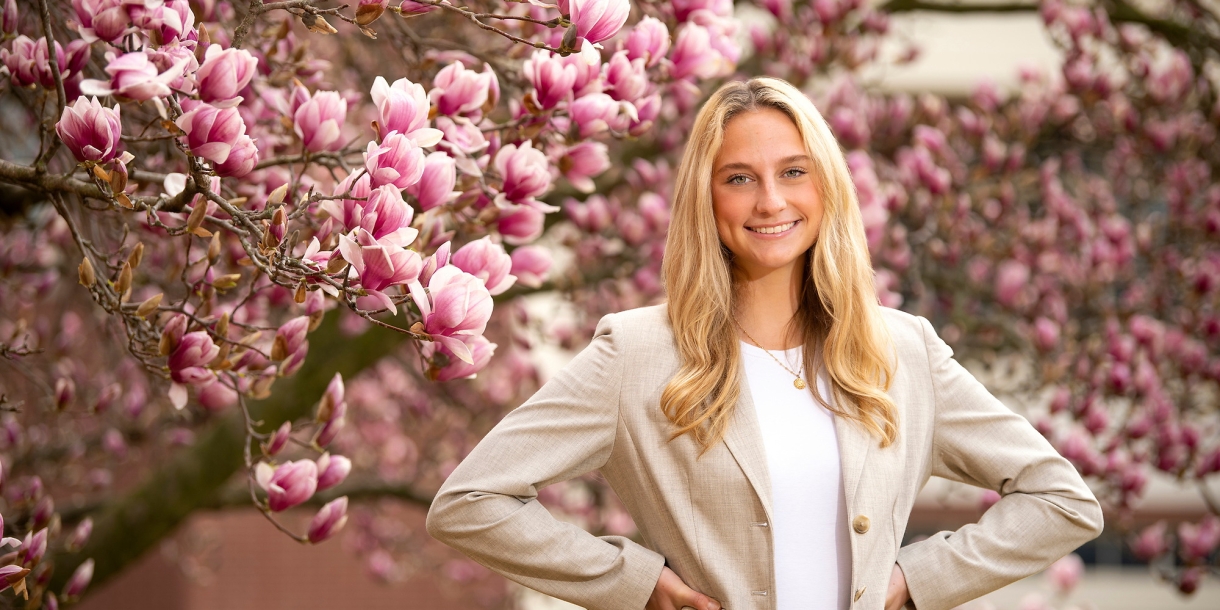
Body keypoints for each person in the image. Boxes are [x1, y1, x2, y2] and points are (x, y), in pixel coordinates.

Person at [426, 77, 1103, 610]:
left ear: (827, 187)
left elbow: (1061, 501)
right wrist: (631, 582)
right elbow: (469, 503)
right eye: (740, 178)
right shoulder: (635, 353)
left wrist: (913, 580)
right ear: (707, 198)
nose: (770, 202)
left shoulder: (903, 352)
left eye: (793, 172)